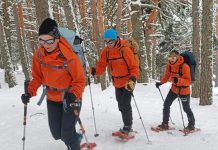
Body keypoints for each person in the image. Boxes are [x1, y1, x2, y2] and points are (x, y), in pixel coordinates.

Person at [21, 18, 86, 150]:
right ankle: (75, 137)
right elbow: (37, 77)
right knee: (57, 134)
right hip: (52, 97)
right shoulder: (39, 55)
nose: (46, 44)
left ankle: (73, 142)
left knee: (66, 134)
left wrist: (74, 94)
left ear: (56, 38)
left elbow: (80, 80)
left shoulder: (69, 56)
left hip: (71, 97)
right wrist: (29, 92)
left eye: (49, 40)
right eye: (42, 40)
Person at [89, 29, 139, 134]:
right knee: (120, 104)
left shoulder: (124, 50)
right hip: (117, 82)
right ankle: (127, 124)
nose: (108, 44)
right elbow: (101, 67)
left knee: (125, 104)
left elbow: (134, 67)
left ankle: (127, 127)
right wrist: (94, 71)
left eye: (110, 41)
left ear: (116, 39)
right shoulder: (106, 52)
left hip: (128, 80)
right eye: (106, 42)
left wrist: (133, 78)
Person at [155, 50, 195, 131]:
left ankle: (191, 125)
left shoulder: (184, 67)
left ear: (178, 57)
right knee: (166, 104)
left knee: (186, 108)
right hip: (174, 89)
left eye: (174, 57)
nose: (171, 59)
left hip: (184, 91)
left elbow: (188, 81)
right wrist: (161, 83)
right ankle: (165, 124)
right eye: (170, 57)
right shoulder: (169, 65)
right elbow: (167, 75)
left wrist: (179, 80)